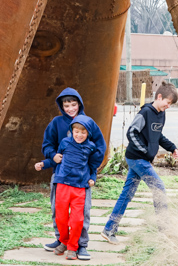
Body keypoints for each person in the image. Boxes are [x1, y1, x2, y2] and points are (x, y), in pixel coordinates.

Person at [101, 82, 178, 244]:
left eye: (170, 104)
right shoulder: (145, 113)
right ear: (159, 97)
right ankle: (164, 231)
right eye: (168, 102)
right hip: (137, 158)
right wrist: (144, 150)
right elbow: (131, 132)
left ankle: (109, 229)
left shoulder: (161, 114)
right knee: (159, 188)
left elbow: (157, 136)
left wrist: (172, 148)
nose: (168, 106)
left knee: (127, 194)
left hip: (141, 159)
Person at [39, 88, 105, 261]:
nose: (70, 108)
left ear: (79, 104)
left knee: (82, 212)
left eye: (73, 104)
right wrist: (52, 155)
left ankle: (81, 245)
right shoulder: (56, 122)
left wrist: (91, 168)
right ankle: (62, 240)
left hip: (82, 178)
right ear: (61, 106)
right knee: (57, 210)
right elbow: (47, 144)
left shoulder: (88, 122)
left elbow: (100, 147)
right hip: (60, 175)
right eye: (66, 105)